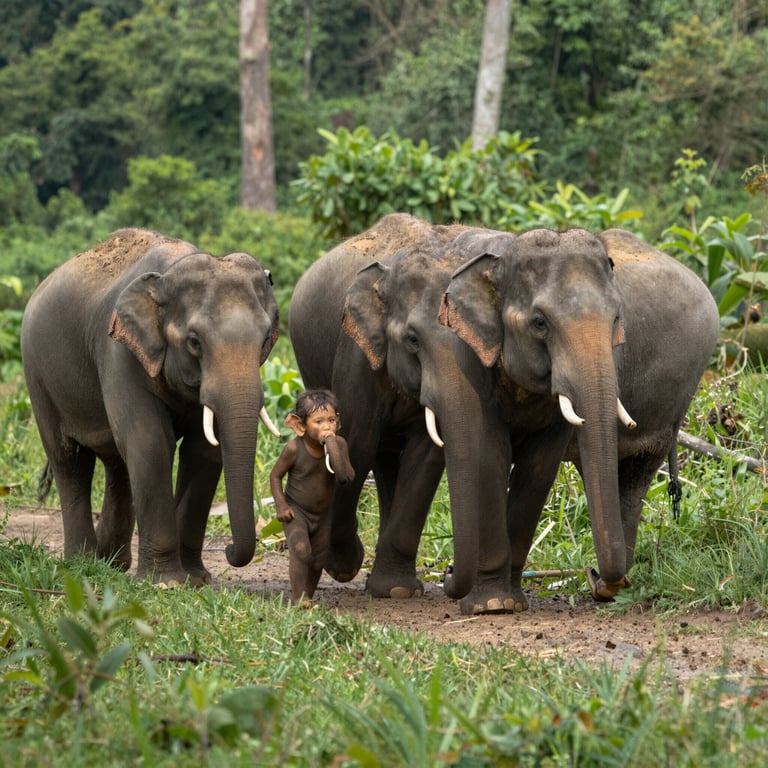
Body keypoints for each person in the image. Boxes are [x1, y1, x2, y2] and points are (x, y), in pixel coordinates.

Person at [269, 389, 355, 606]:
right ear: (300, 426)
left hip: (324, 514)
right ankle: (299, 597)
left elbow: (347, 476)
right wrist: (281, 505)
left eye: (331, 420)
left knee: (319, 558)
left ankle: (307, 596)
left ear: (339, 422)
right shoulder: (293, 449)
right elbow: (275, 476)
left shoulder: (340, 444)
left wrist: (335, 451)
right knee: (301, 549)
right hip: (297, 511)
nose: (327, 427)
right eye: (318, 421)